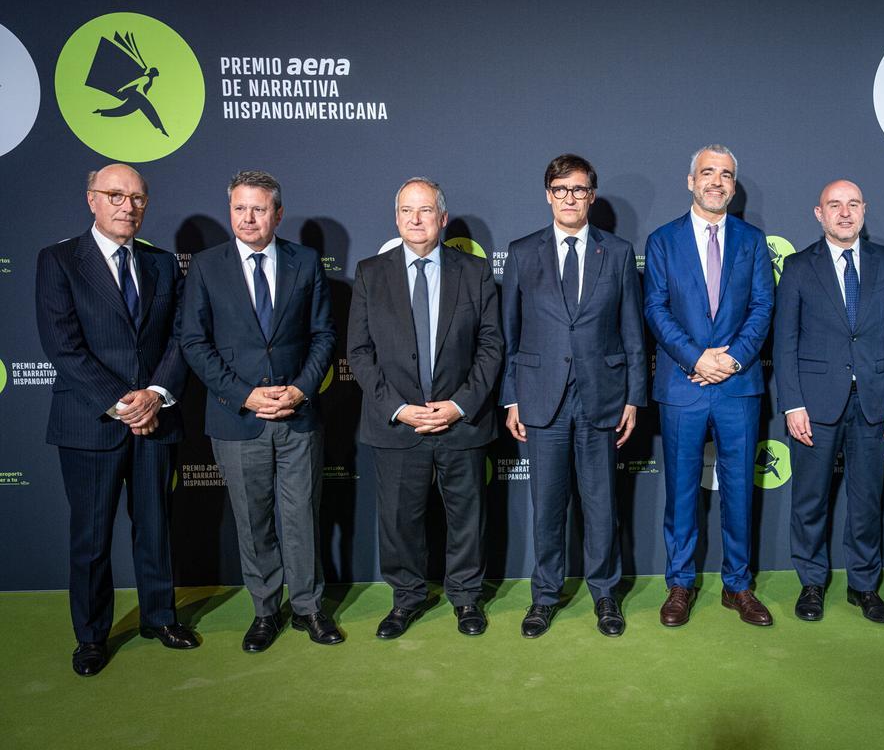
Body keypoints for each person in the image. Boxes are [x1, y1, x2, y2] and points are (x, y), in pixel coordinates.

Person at [36, 164, 198, 677]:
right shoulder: (59, 260)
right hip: (90, 424)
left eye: (137, 198)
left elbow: (180, 338)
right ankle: (91, 636)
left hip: (156, 420)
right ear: (92, 200)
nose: (128, 206)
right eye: (115, 195)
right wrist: (123, 402)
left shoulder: (163, 264)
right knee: (91, 536)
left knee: (155, 527)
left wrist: (154, 394)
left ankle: (159, 617)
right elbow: (62, 346)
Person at [180, 170, 339, 651]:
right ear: (230, 211)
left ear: (278, 213)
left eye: (258, 208)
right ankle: (265, 611)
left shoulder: (305, 261)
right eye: (239, 208)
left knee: (301, 518)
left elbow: (324, 336)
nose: (248, 218)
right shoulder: (206, 267)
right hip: (237, 418)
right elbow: (194, 341)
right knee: (252, 521)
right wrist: (243, 394)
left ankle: (309, 608)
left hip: (297, 416)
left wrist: (301, 390)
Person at [348, 177, 503, 639]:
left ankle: (466, 598)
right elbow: (359, 352)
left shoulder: (474, 273)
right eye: (407, 211)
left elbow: (491, 345)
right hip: (397, 425)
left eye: (425, 210)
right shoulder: (370, 273)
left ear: (443, 218)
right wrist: (397, 408)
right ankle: (407, 598)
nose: (416, 220)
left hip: (461, 424)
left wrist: (459, 404)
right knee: (398, 521)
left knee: (467, 518)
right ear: (396, 219)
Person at [501, 154, 646, 638]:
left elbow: (632, 333)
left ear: (592, 196)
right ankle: (544, 596)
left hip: (602, 397)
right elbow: (510, 334)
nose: (570, 198)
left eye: (579, 190)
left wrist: (633, 398)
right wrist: (511, 398)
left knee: (602, 505)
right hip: (541, 399)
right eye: (561, 189)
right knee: (547, 505)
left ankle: (606, 595)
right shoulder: (522, 252)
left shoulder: (619, 253)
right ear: (548, 194)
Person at [643, 144, 775, 628]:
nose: (716, 181)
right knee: (681, 492)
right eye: (707, 172)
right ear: (690, 180)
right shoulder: (662, 240)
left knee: (739, 491)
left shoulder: (753, 241)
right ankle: (680, 583)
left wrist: (733, 359)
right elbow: (655, 308)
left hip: (738, 388)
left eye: (725, 175)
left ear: (734, 187)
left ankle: (737, 586)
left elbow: (763, 307)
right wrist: (697, 357)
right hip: (683, 385)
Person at [774, 179, 884, 624]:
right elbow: (785, 342)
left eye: (853, 204)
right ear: (819, 214)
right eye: (835, 205)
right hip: (815, 404)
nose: (845, 212)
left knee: (867, 499)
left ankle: (864, 587)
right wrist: (792, 403)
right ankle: (811, 583)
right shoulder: (797, 267)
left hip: (874, 402)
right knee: (810, 499)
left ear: (864, 210)